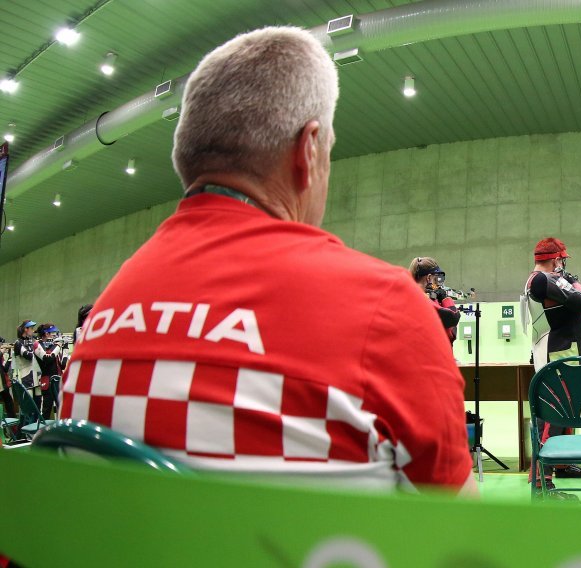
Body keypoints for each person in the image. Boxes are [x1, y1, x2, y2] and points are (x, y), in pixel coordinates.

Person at [61, 27, 474, 494]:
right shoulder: (385, 305)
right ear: (308, 150)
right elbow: (459, 530)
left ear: (188, 156)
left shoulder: (102, 315)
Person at [522, 237, 581, 499]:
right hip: (559, 353)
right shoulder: (543, 280)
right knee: (552, 414)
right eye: (561, 259)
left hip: (561, 351)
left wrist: (571, 284)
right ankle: (541, 480)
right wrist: (573, 283)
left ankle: (560, 464)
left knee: (564, 411)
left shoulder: (543, 279)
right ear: (556, 259)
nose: (562, 264)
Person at [409, 257, 460, 345]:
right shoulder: (421, 299)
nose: (438, 284)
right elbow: (453, 317)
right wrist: (445, 298)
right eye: (436, 279)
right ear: (428, 278)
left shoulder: (410, 295)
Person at [34, 324, 68, 420]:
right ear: (46, 333)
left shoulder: (53, 345)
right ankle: (43, 433)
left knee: (61, 408)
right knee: (46, 409)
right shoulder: (37, 344)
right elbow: (47, 359)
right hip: (47, 381)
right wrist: (58, 345)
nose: (55, 335)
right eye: (53, 333)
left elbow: (63, 365)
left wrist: (65, 348)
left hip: (58, 380)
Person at [13, 320, 41, 410]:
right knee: (28, 407)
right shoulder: (18, 343)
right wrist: (37, 346)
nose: (33, 331)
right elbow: (29, 356)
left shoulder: (31, 341)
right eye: (31, 328)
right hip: (25, 377)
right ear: (25, 329)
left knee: (38, 404)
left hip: (35, 377)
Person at [0, 339, 14, 420]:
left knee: (9, 403)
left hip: (3, 383)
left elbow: (4, 369)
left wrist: (10, 358)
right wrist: (2, 351)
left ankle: (13, 427)